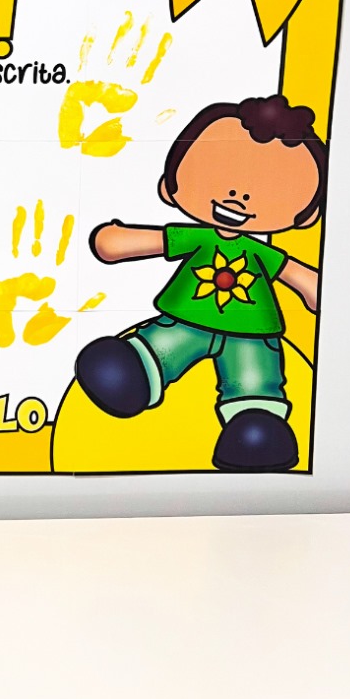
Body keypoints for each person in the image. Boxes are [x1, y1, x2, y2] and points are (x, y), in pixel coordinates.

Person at [74, 94, 325, 471]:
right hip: (186, 322)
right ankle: (138, 369)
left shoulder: (261, 253)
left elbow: (296, 274)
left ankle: (255, 422)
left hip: (251, 333)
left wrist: (318, 288)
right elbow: (152, 241)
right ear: (169, 186)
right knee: (163, 345)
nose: (239, 196)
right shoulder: (198, 238)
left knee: (254, 376)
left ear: (307, 215)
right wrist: (118, 240)